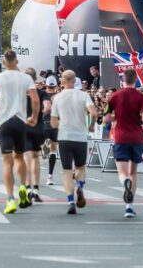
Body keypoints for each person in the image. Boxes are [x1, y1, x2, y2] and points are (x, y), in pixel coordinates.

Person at [0, 50, 40, 215]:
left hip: (4, 122)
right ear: (16, 62)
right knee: (19, 157)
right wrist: (34, 117)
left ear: (4, 63)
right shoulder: (26, 78)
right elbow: (36, 99)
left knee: (6, 162)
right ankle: (23, 187)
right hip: (20, 121)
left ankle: (10, 199)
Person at [50, 70, 97, 214]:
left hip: (64, 137)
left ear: (63, 81)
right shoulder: (83, 95)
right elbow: (94, 113)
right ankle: (80, 187)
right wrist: (91, 125)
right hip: (80, 137)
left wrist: (59, 125)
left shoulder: (57, 97)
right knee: (81, 167)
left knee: (66, 171)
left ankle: (70, 200)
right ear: (74, 80)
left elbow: (53, 122)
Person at [105, 68, 143, 218]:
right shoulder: (141, 96)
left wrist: (115, 116)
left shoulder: (114, 96)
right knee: (133, 172)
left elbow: (106, 118)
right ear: (136, 80)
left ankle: (124, 182)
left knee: (122, 172)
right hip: (137, 138)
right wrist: (139, 119)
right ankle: (129, 207)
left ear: (122, 80)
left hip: (121, 137)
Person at [23, 68, 51, 203]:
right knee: (35, 158)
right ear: (35, 79)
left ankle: (28, 187)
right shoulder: (41, 93)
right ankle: (36, 189)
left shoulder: (20, 93)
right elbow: (48, 107)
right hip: (38, 127)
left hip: (24, 127)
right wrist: (40, 113)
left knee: (26, 158)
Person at [43, 76, 60, 185]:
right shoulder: (59, 96)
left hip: (43, 123)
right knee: (53, 151)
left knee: (38, 149)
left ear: (46, 84)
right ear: (56, 85)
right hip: (55, 125)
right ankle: (50, 177)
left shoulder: (42, 95)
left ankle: (44, 147)